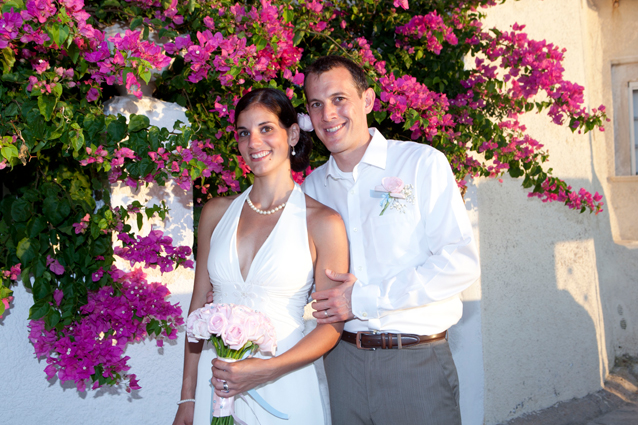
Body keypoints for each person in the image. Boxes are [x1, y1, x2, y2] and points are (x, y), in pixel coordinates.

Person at [301, 56, 481, 425]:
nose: (328, 114)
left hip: (414, 362)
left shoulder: (420, 164)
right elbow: (302, 271)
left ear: (367, 100)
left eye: (339, 99)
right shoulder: (313, 187)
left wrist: (363, 299)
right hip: (342, 361)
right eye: (316, 104)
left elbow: (459, 262)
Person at [172, 88, 348, 425]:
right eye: (243, 132)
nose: (254, 142)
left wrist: (266, 370)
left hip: (286, 382)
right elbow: (198, 306)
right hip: (221, 387)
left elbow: (331, 327)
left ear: (292, 133)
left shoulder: (323, 222)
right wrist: (187, 396)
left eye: (266, 128)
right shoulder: (215, 212)